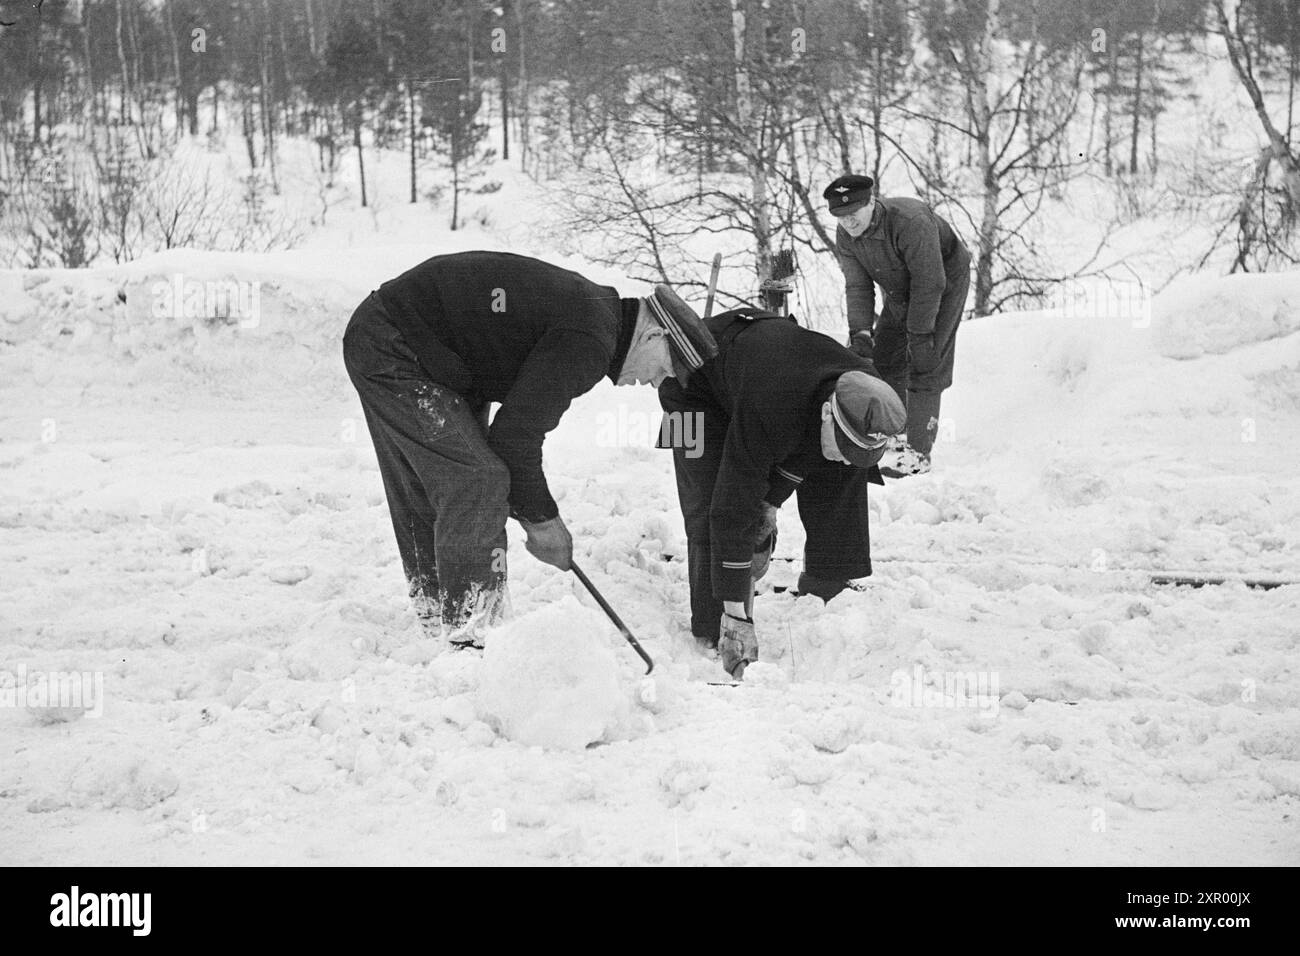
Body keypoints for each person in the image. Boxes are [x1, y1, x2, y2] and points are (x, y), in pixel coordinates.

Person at [342, 251, 715, 647]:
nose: (657, 381)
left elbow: (513, 432)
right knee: (476, 478)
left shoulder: (595, 318)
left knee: (447, 477)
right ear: (654, 335)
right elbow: (514, 440)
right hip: (396, 344)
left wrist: (536, 514)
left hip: (408, 342)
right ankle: (473, 634)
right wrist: (544, 522)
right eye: (666, 368)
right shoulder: (591, 338)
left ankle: (440, 616)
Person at [658, 307, 905, 678]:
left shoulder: (864, 392)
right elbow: (732, 505)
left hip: (767, 375)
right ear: (827, 413)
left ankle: (828, 580)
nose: (845, 457)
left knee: (842, 466)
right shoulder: (773, 404)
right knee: (710, 501)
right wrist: (737, 615)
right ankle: (717, 623)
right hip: (691, 388)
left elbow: (807, 442)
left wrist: (771, 504)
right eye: (844, 443)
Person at [824, 174, 971, 477]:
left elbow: (930, 283)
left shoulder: (910, 221)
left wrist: (920, 335)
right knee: (885, 356)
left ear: (871, 202)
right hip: (900, 288)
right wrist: (861, 333)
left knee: (925, 360)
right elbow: (858, 286)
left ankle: (919, 454)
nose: (848, 222)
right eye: (840, 216)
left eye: (853, 213)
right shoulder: (847, 236)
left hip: (944, 281)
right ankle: (895, 432)